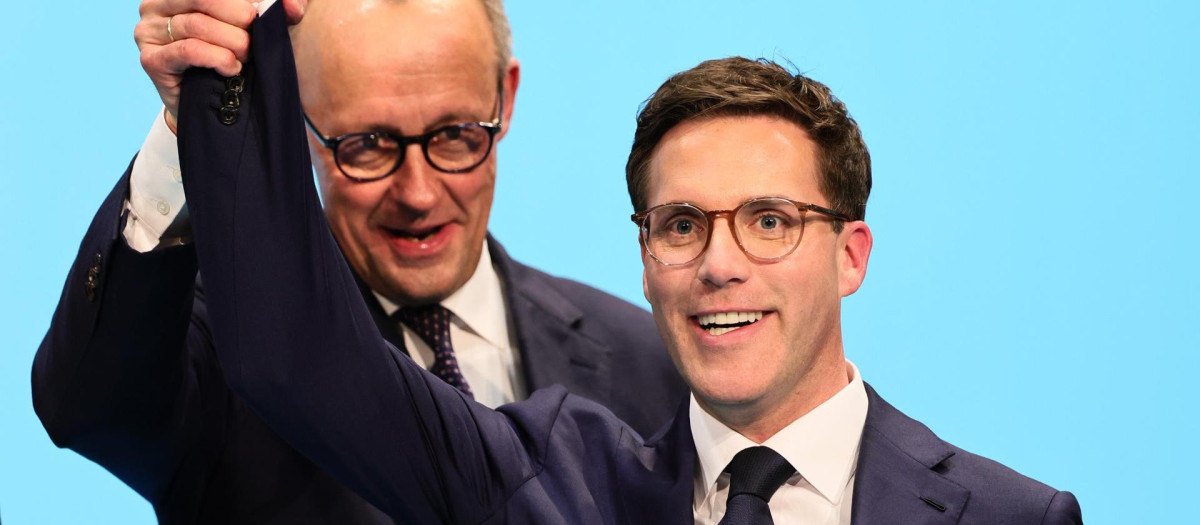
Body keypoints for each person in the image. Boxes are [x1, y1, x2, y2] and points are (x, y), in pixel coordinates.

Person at [171, 5, 1084, 524]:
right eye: (681, 225)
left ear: (851, 255)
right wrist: (224, 70)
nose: (719, 264)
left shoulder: (1010, 516)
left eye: (769, 220)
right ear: (645, 259)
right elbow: (293, 354)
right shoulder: (558, 477)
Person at [31, 0, 683, 521]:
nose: (419, 194)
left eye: (456, 135)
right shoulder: (228, 346)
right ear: (299, 119)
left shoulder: (655, 360)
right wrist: (189, 124)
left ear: (505, 100)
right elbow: (91, 408)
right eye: (366, 145)